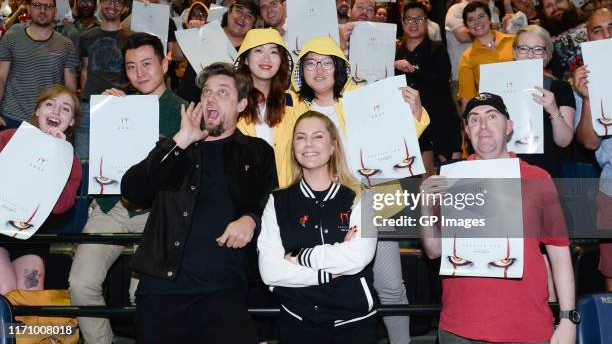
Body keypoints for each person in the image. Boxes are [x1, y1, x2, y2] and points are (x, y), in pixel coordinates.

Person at [121, 62, 277, 343]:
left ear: (242, 104)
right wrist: (181, 140)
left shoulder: (257, 152)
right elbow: (133, 190)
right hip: (161, 289)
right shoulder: (176, 147)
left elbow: (272, 200)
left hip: (223, 290)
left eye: (222, 92)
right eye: (206, 92)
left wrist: (251, 218)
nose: (211, 99)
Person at [290, 36, 429, 344]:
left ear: (340, 67)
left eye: (327, 62)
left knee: (390, 283)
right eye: (311, 63)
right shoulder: (292, 108)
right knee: (322, 283)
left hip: (376, 196)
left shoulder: (364, 96)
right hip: (319, 206)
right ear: (302, 70)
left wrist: (415, 113)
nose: (319, 69)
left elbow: (399, 142)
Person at [420, 92, 577, 344]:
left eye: (492, 117)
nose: (483, 125)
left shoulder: (538, 178)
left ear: (509, 127)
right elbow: (433, 250)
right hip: (459, 328)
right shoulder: (448, 180)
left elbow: (559, 252)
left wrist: (568, 318)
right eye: (474, 119)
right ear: (466, 132)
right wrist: (426, 207)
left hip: (526, 327)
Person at [68, 33, 185, 344]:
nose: (140, 73)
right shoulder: (116, 103)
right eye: (131, 67)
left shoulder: (184, 110)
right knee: (81, 282)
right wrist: (110, 112)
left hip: (158, 213)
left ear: (165, 62)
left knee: (144, 292)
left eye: (147, 64)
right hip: (112, 206)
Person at [258, 110, 378, 343]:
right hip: (297, 322)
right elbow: (270, 271)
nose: (308, 144)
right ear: (293, 147)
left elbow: (359, 255)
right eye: (301, 137)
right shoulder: (278, 201)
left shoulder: (362, 196)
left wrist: (299, 257)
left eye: (318, 136)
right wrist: (329, 273)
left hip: (354, 324)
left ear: (333, 146)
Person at [0, 84, 82, 294]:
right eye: (49, 104)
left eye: (65, 108)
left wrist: (58, 158)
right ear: (37, 110)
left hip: (31, 235)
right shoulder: (8, 138)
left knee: (31, 292)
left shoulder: (71, 162)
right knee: (5, 287)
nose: (55, 111)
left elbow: (61, 207)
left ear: (71, 121)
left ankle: (17, 329)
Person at [395, 1, 462, 175]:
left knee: (451, 180)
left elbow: (441, 81)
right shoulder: (394, 52)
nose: (414, 23)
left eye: (419, 19)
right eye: (409, 19)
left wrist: (413, 69)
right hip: (409, 124)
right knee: (423, 181)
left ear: (426, 23)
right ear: (402, 23)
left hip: (440, 120)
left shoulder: (437, 49)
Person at [0, 0, 79, 129]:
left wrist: (67, 119)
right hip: (11, 117)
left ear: (55, 11)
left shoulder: (66, 45)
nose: (43, 10)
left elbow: (70, 89)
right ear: (29, 8)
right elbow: (1, 77)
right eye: (37, 5)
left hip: (48, 120)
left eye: (48, 6)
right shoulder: (12, 35)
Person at [573, 8, 612, 292]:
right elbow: (589, 142)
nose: (606, 34)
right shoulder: (581, 81)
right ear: (587, 38)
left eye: (611, 26)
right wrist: (586, 98)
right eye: (597, 30)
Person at [75, 0, 132, 158]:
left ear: (123, 8)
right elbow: (84, 70)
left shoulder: (132, 38)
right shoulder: (85, 36)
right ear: (100, 4)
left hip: (122, 106)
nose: (112, 5)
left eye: (117, 2)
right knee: (84, 161)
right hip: (89, 107)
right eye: (107, 0)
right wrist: (85, 97)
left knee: (117, 159)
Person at [513, 25, 575, 178]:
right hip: (508, 169)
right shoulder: (498, 86)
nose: (530, 55)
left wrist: (553, 110)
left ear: (547, 55)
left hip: (546, 171)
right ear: (514, 52)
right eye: (523, 48)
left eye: (538, 49)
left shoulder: (560, 88)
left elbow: (564, 141)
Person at [236, 28, 296, 187]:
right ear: (246, 59)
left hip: (285, 198)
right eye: (258, 50)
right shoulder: (232, 104)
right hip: (243, 200)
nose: (266, 58)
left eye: (273, 52)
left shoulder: (293, 103)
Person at [457, 1, 515, 111]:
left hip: (522, 104)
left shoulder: (513, 41)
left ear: (489, 18)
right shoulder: (467, 57)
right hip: (491, 113)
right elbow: (467, 97)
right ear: (467, 26)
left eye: (481, 16)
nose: (477, 22)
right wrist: (467, 125)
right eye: (471, 20)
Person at [445, 0, 496, 93]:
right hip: (463, 77)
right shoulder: (457, 9)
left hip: (488, 74)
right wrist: (494, 27)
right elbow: (463, 36)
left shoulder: (488, 12)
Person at [539, 0, 587, 80]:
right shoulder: (542, 39)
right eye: (549, 6)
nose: (555, 8)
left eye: (559, 1)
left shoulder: (591, 23)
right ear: (543, 11)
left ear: (569, 0)